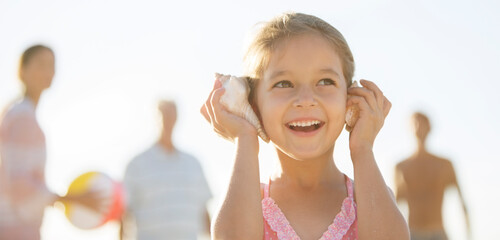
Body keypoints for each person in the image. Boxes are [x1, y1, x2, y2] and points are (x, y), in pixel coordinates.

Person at [201, 12, 409, 240]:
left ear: (349, 99)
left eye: (325, 81)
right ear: (254, 105)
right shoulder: (245, 201)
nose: (305, 99)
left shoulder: (371, 197)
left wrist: (363, 149)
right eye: (283, 83)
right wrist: (245, 138)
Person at [0, 45, 102, 240]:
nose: (48, 71)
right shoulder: (22, 117)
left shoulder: (19, 113)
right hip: (13, 229)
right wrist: (73, 199)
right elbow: (20, 185)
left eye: (52, 65)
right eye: (41, 64)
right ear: (22, 71)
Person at [121, 100, 212, 240]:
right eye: (164, 113)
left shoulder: (193, 163)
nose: (168, 118)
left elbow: (203, 210)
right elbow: (124, 212)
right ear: (156, 117)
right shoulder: (137, 164)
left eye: (171, 113)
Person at [394, 112, 470, 240]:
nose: (418, 127)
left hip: (438, 233)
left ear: (429, 127)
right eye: (414, 123)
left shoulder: (444, 165)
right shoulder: (401, 167)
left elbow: (462, 202)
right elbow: (394, 207)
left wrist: (470, 235)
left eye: (422, 123)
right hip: (412, 233)